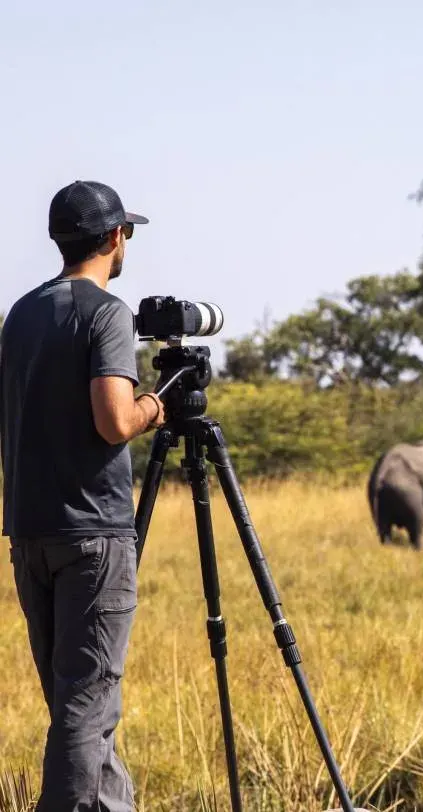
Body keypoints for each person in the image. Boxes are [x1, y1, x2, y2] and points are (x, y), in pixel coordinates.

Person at [1, 180, 165, 812]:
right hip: (93, 535)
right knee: (85, 706)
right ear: (116, 236)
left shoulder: (21, 314)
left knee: (77, 704)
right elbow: (114, 421)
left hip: (30, 530)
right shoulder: (107, 313)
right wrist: (155, 405)